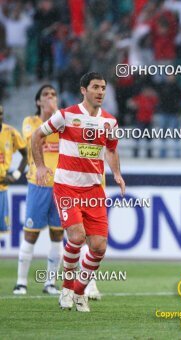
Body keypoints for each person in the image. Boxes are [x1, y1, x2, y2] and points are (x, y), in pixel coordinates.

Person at [31, 72, 125, 312]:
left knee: (99, 247)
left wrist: (117, 174)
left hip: (94, 190)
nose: (100, 92)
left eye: (103, 88)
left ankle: (80, 291)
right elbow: (37, 135)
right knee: (76, 237)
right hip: (67, 187)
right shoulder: (65, 116)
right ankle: (66, 288)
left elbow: (112, 150)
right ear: (84, 90)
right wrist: (41, 166)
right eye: (95, 87)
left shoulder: (110, 122)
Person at [13, 85, 63, 296]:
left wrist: (58, 116)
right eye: (46, 95)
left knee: (57, 235)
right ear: (38, 102)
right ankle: (21, 282)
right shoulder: (30, 122)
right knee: (30, 235)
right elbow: (36, 137)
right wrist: (53, 116)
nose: (50, 97)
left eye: (53, 94)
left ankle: (50, 283)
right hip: (38, 184)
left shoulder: (63, 123)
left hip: (60, 185)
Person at [0, 105, 28, 238]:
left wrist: (15, 175)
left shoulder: (11, 133)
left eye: (0, 113)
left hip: (2, 189)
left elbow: (26, 155)